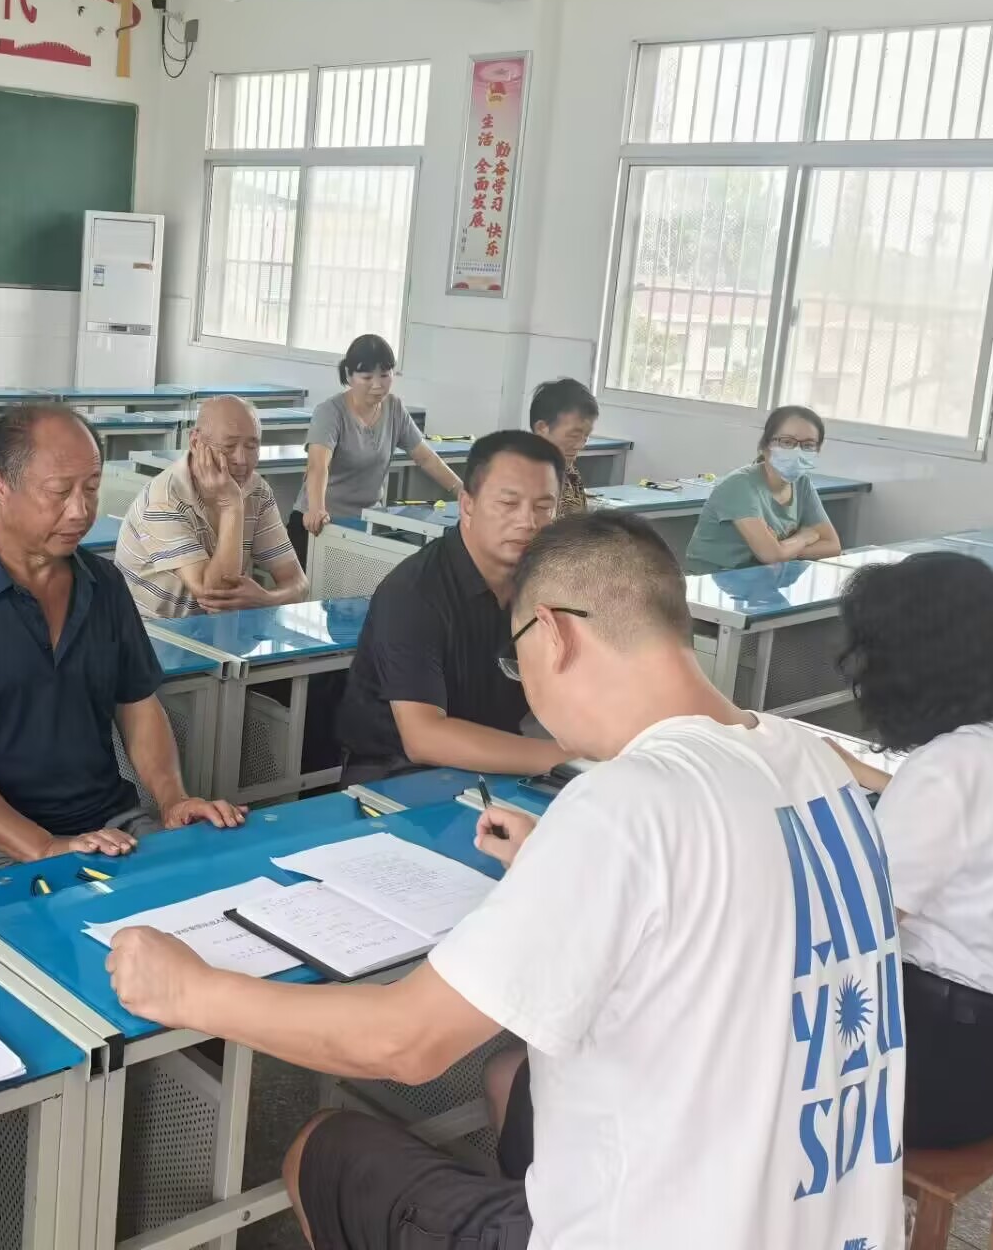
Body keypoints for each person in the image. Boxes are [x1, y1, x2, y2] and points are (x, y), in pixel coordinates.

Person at [107, 512, 905, 1250]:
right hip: (819, 1223)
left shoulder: (629, 803)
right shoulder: (813, 764)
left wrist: (187, 993)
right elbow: (724, 916)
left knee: (325, 1149)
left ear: (552, 634)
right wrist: (553, 867)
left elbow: (404, 1043)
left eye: (516, 658)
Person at [0, 404, 245, 880]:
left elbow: (137, 707)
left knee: (207, 894)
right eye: (58, 492)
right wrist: (45, 846)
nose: (80, 511)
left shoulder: (103, 583)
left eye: (91, 489)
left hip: (107, 823)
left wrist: (172, 799)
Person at [831, 552, 993, 1150]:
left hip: (941, 1067)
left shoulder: (948, 766)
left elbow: (855, 930)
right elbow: (978, 825)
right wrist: (864, 775)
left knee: (739, 1050)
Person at [335, 430, 571, 785]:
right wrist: (572, 760)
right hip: (398, 778)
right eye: (509, 504)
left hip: (498, 766)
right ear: (467, 504)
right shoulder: (413, 594)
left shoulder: (547, 585)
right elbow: (423, 738)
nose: (529, 522)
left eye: (543, 507)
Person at [114, 395, 308, 619]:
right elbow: (215, 595)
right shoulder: (163, 500)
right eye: (229, 446)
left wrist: (265, 600)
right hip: (151, 634)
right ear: (196, 443)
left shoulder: (257, 492)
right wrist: (232, 507)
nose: (241, 460)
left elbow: (299, 584)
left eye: (251, 446)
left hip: (216, 631)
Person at [291, 333, 462, 564]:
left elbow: (426, 458)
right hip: (321, 524)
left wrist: (462, 491)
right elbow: (318, 465)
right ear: (349, 376)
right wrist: (317, 509)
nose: (378, 384)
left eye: (385, 374)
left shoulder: (395, 408)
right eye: (367, 376)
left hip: (368, 523)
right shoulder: (330, 412)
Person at [682, 404, 842, 574]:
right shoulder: (740, 485)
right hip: (714, 583)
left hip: (764, 580)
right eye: (787, 442)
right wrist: (803, 537)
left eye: (808, 445)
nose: (797, 452)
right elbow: (771, 556)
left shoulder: (802, 483)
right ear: (766, 446)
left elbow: (832, 546)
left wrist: (785, 550)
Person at [528, 376, 599, 520]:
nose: (580, 446)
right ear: (542, 428)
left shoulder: (570, 471)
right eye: (573, 435)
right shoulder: (520, 475)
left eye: (585, 437)